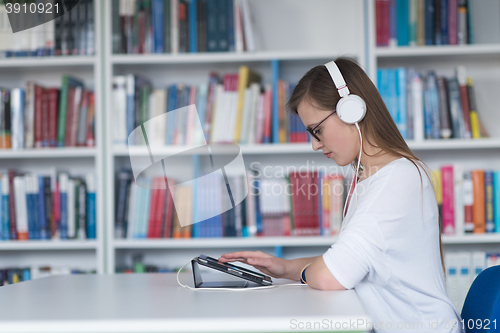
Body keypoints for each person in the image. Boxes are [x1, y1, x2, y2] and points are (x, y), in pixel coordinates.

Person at [219, 57, 463, 333]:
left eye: (317, 130)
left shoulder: (397, 180)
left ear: (352, 111)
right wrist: (283, 267)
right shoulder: (371, 176)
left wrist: (303, 272)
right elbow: (352, 264)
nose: (314, 145)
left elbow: (327, 275)